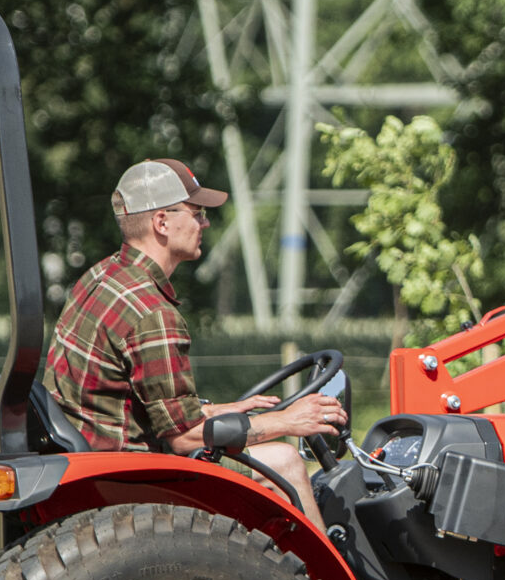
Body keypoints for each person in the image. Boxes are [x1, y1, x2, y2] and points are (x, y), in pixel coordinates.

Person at [43, 158, 345, 513]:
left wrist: (221, 411)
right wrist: (288, 420)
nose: (205, 222)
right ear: (162, 222)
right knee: (286, 461)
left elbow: (139, 404)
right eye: (197, 212)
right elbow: (184, 436)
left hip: (91, 462)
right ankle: (316, 572)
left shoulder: (99, 278)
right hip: (130, 476)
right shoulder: (153, 312)